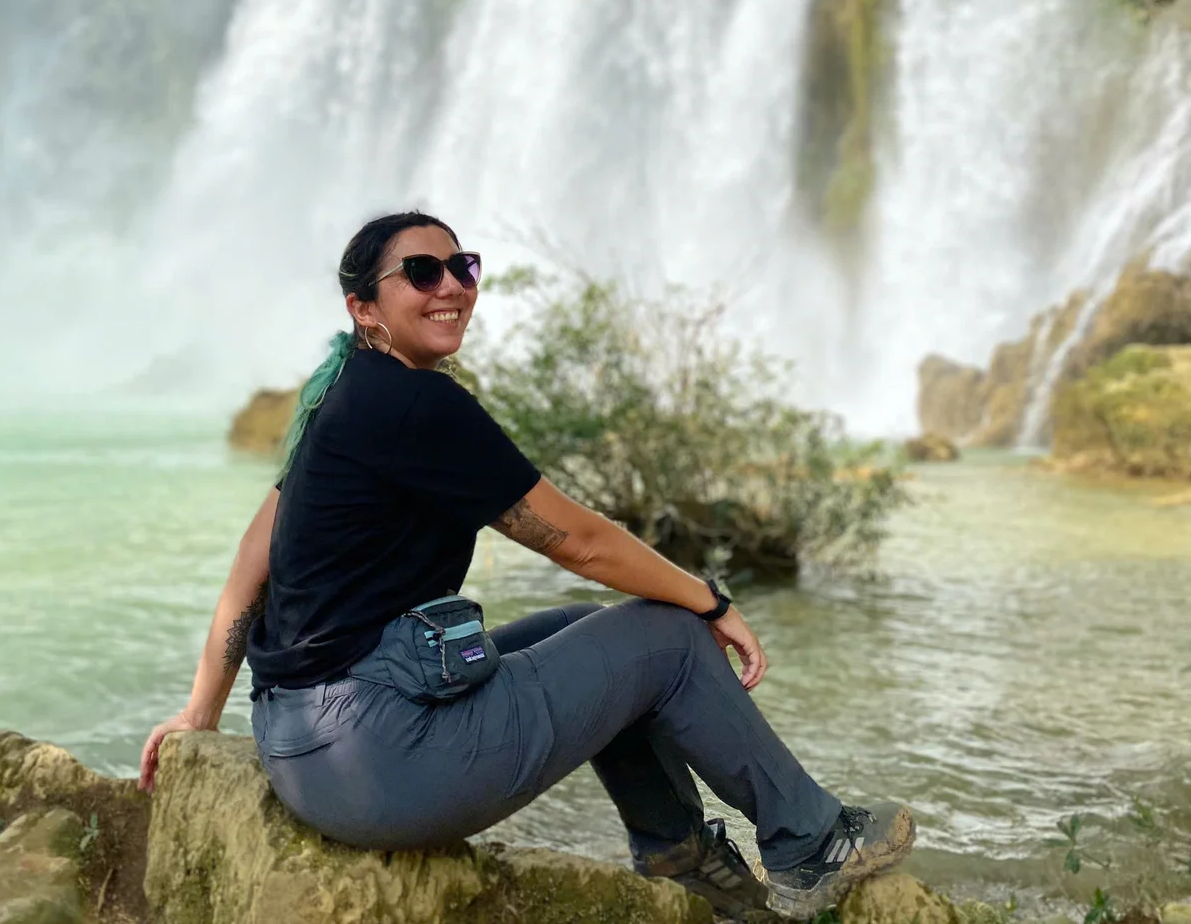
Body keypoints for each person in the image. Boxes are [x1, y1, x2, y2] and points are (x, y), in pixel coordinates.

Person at [138, 210, 915, 920]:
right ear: (363, 307)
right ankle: (809, 845)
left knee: (589, 628)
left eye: (461, 267)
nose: (450, 287)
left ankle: (676, 842)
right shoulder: (420, 407)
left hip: (295, 741)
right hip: (375, 764)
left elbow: (252, 563)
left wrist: (203, 710)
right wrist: (708, 601)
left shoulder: (338, 398)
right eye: (420, 273)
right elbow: (577, 541)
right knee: (669, 637)